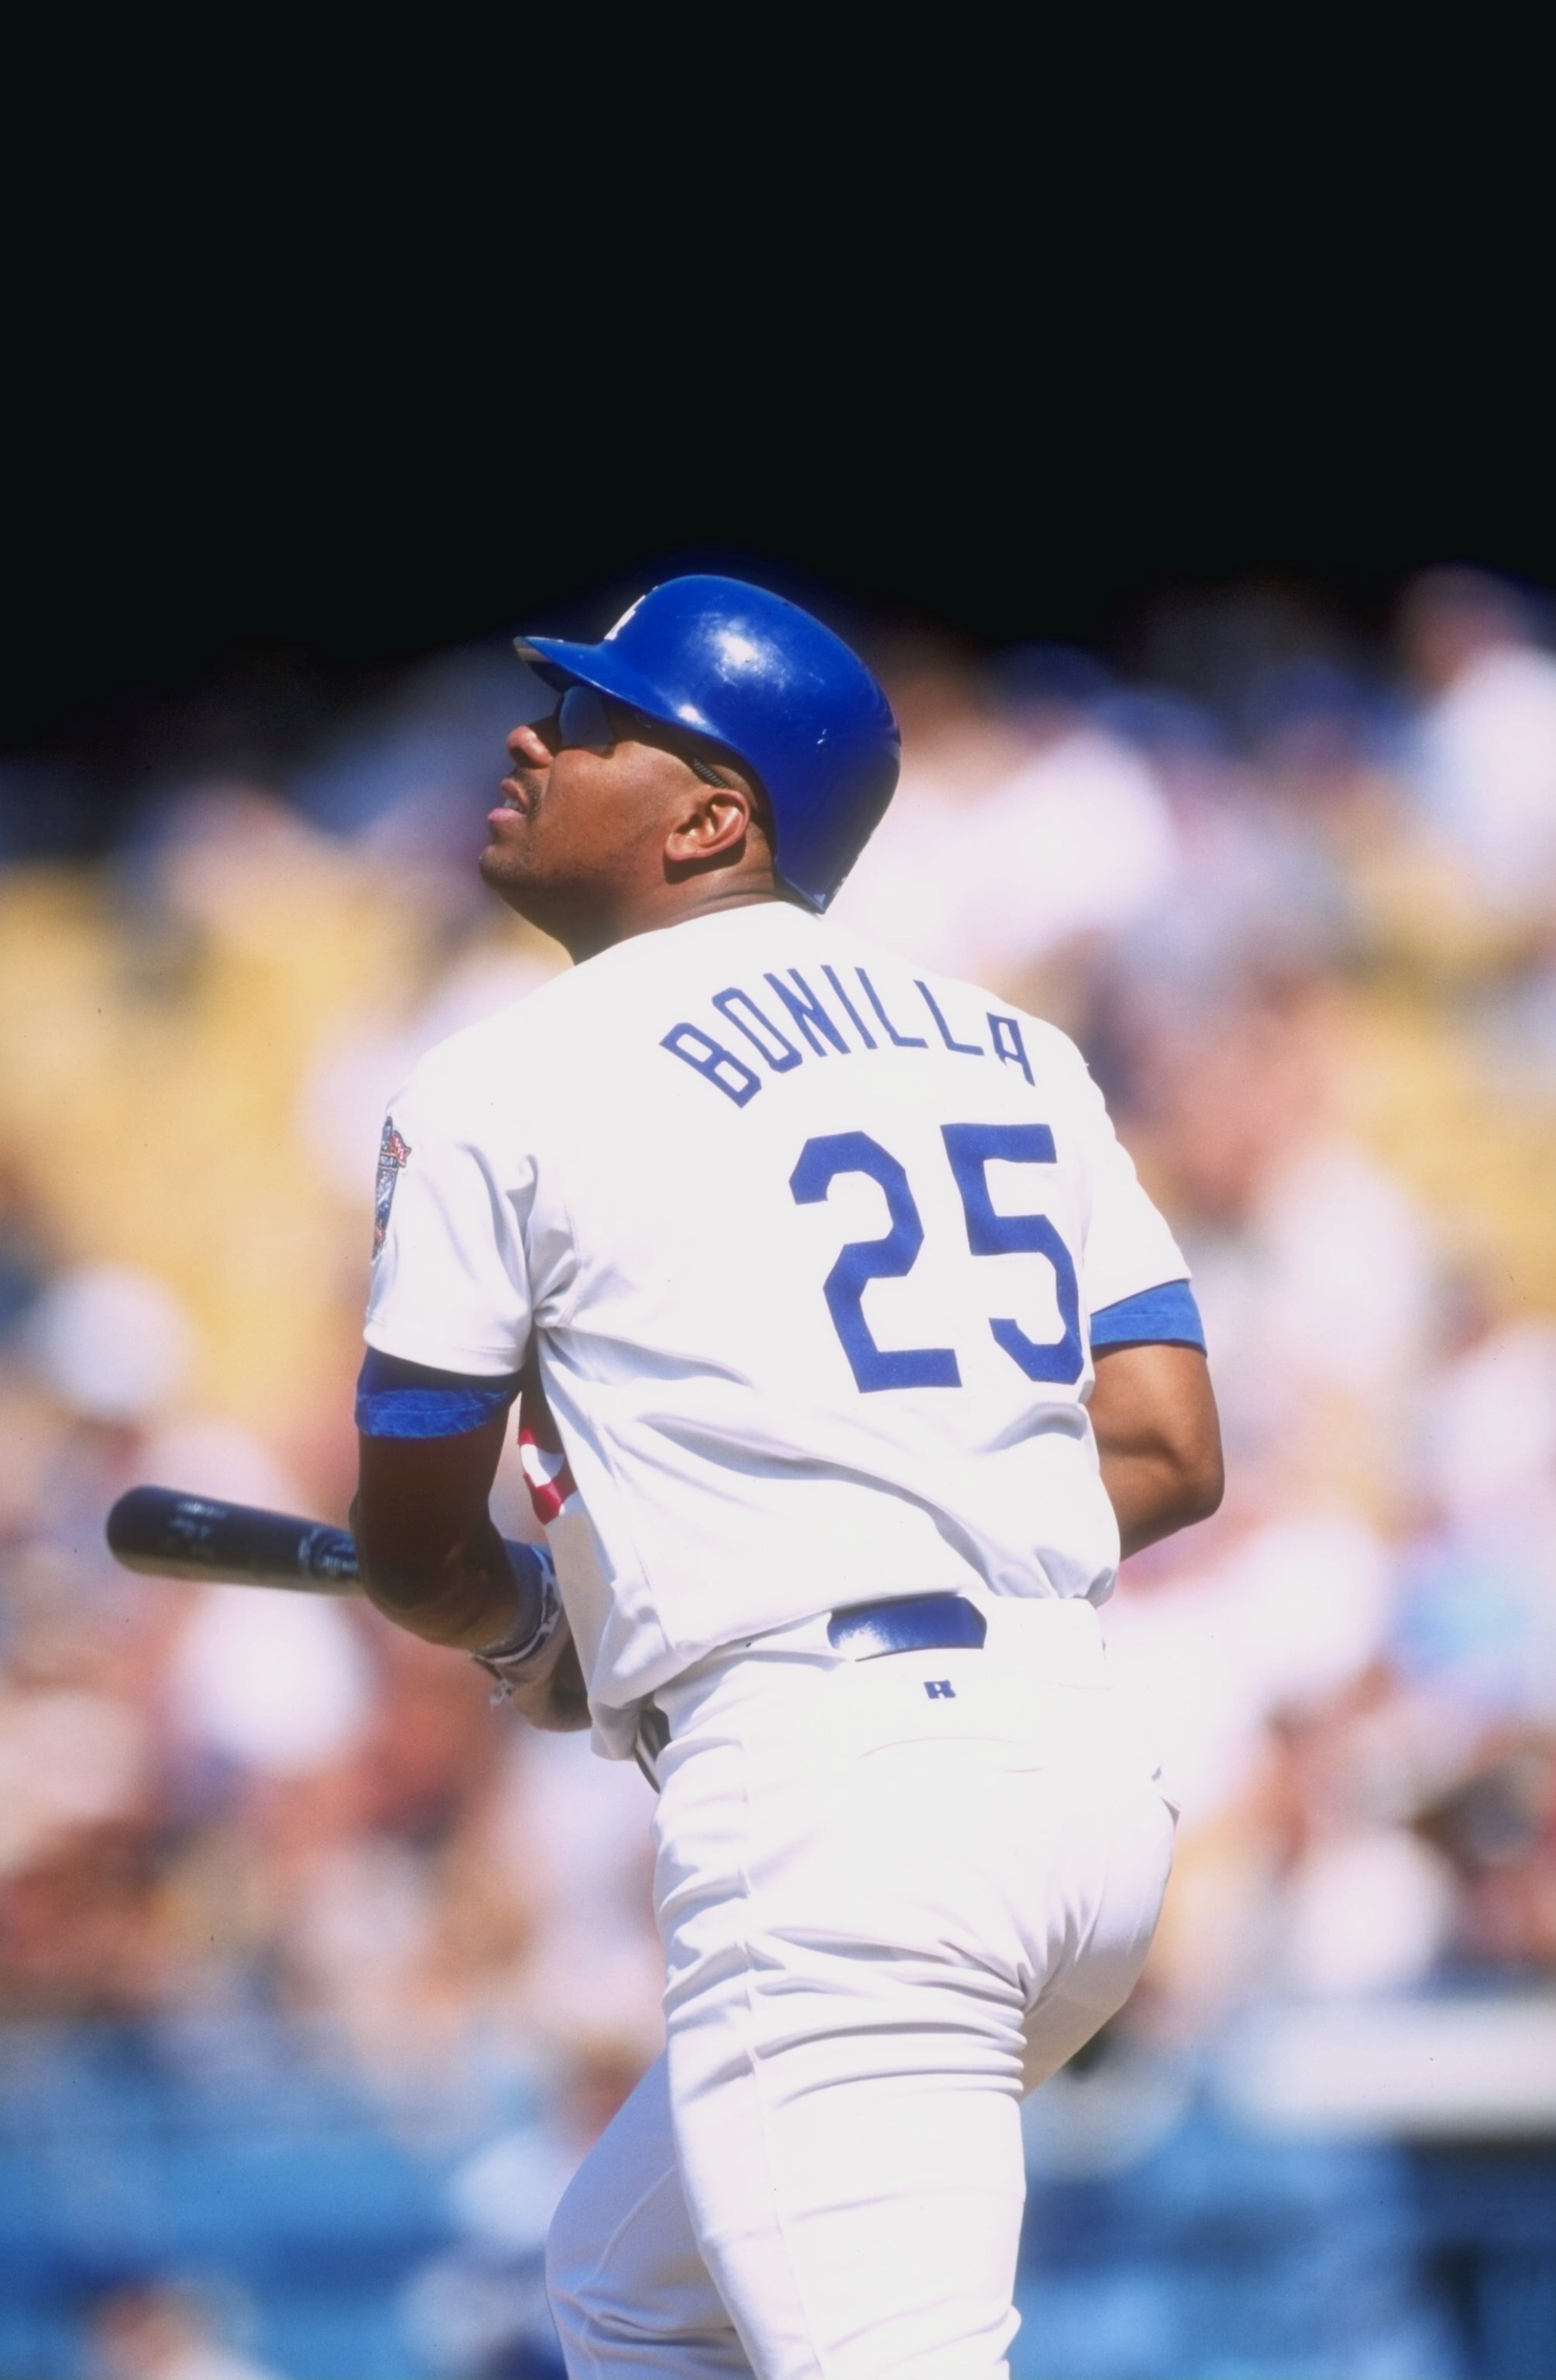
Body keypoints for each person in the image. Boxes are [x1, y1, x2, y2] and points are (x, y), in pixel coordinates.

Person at [350, 576, 1223, 2379]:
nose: (531, 739)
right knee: (629, 2285)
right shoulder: (1017, 1047)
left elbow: (412, 1541)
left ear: (711, 817)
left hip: (840, 1795)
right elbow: (1165, 1443)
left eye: (591, 724)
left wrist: (530, 1632)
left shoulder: (503, 1079)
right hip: (1079, 1783)